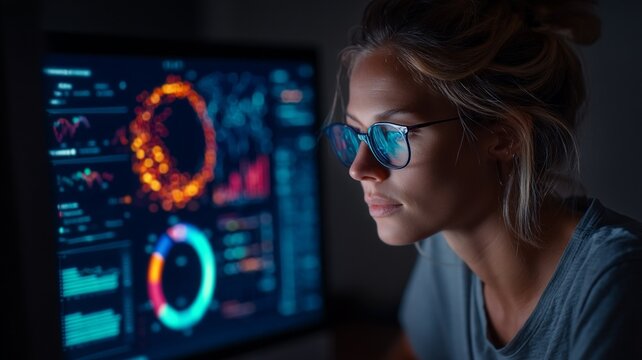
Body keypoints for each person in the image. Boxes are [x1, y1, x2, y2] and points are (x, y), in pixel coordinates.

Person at [322, 0, 642, 358]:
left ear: (504, 137)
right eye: (356, 134)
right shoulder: (445, 249)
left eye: (393, 135)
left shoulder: (616, 283)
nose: (359, 168)